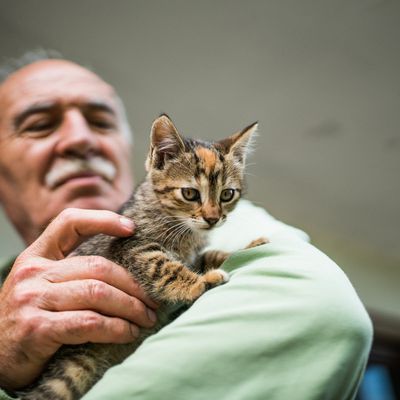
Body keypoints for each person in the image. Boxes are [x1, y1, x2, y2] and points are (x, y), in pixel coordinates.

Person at [0, 51, 372, 400]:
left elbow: (324, 312)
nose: (80, 139)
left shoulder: (235, 226)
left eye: (101, 120)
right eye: (39, 125)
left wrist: (219, 262)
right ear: (159, 158)